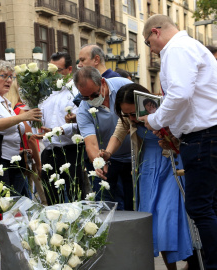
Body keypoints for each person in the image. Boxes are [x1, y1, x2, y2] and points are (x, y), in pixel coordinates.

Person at [140, 14, 217, 269]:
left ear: (155, 32)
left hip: (203, 136)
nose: (150, 50)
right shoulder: (191, 46)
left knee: (200, 207)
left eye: (147, 42)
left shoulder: (176, 49)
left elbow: (180, 94)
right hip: (206, 135)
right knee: (209, 205)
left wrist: (155, 119)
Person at [97, 83, 193, 270]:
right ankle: (171, 268)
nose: (131, 118)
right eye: (127, 114)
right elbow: (119, 133)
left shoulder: (163, 108)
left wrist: (171, 140)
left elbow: (181, 133)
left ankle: (192, 262)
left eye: (133, 113)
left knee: (170, 216)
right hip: (148, 169)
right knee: (153, 220)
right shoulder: (127, 117)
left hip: (170, 164)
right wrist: (107, 154)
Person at [0, 60, 41, 196]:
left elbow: (12, 128)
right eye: (4, 76)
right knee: (4, 207)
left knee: (20, 204)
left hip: (12, 160)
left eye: (11, 76)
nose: (9, 80)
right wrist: (22, 117)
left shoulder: (5, 101)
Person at [74, 66, 134, 210]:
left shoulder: (123, 86)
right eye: (85, 97)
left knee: (135, 204)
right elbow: (91, 144)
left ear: (102, 82)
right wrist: (99, 163)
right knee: (109, 207)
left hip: (135, 155)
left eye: (94, 95)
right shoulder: (83, 110)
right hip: (110, 160)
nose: (91, 100)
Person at [36, 52, 84, 205]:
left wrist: (60, 129)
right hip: (49, 151)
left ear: (69, 69)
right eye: (51, 71)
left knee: (75, 198)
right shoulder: (46, 93)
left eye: (58, 70)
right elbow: (40, 119)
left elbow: (83, 121)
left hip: (71, 150)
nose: (54, 75)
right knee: (51, 200)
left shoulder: (77, 92)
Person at [4, 80, 47, 205]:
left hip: (17, 156)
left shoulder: (9, 110)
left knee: (24, 195)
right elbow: (31, 138)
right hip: (29, 157)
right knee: (42, 195)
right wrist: (39, 164)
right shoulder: (22, 111)